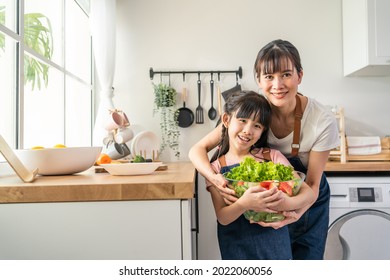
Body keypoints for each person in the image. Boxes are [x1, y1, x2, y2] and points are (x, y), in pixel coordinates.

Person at [188, 39, 340, 260]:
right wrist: (215, 178)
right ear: (258, 79)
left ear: (300, 76)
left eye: (286, 74)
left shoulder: (322, 120)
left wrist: (289, 207)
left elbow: (312, 185)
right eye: (269, 76)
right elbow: (197, 150)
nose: (277, 85)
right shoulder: (252, 111)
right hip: (266, 201)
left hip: (304, 197)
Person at [206, 90, 316, 260]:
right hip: (237, 246)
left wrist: (287, 203)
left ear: (263, 131)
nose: (248, 130)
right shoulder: (215, 169)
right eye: (242, 121)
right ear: (226, 120)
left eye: (257, 125)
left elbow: (308, 193)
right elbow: (223, 217)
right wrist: (244, 204)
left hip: (275, 244)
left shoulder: (272, 157)